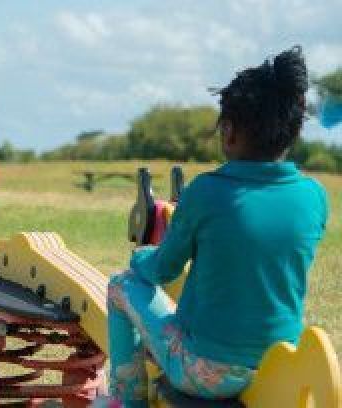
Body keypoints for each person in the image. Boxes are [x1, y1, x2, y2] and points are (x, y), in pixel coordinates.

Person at [100, 46, 328, 407]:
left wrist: (140, 257)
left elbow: (163, 270)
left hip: (206, 371)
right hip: (277, 365)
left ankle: (126, 399)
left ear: (230, 132)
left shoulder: (205, 192)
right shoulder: (314, 197)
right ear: (293, 130)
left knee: (121, 285)